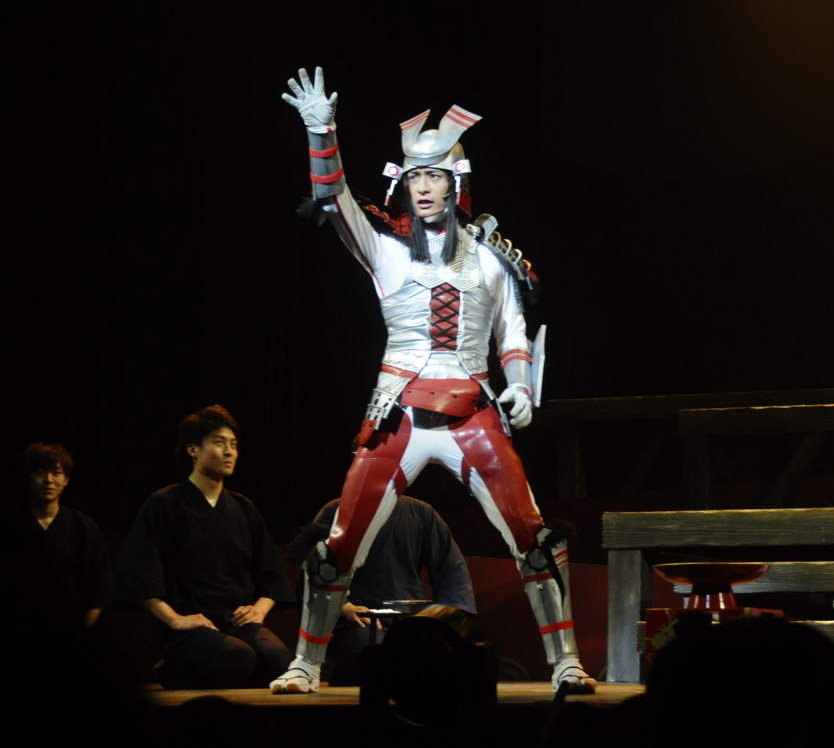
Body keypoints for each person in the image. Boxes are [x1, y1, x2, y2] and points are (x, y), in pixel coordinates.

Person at [272, 67, 594, 694]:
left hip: (474, 412)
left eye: (435, 176)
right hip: (400, 413)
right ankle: (305, 663)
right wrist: (321, 134)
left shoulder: (494, 261)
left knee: (534, 538)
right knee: (339, 543)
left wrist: (522, 386)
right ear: (403, 181)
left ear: (456, 183)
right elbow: (335, 201)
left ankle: (566, 661)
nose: (423, 187)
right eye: (415, 175)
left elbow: (512, 335)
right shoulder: (385, 249)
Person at [117, 405, 295, 689]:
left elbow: (272, 575)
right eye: (219, 442)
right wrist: (175, 620)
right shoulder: (164, 503)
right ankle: (174, 670)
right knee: (237, 657)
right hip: (187, 623)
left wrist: (258, 611)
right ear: (192, 449)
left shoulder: (243, 507)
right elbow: (139, 573)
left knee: (277, 661)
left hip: (235, 622)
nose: (229, 452)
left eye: (233, 445)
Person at [301, 495, 475, 686]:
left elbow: (451, 568)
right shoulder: (336, 510)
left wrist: (449, 616)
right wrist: (342, 607)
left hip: (409, 615)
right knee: (372, 652)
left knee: (437, 652)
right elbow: (312, 568)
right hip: (357, 618)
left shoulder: (420, 511)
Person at [11, 443, 113, 628]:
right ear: (27, 477)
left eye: (56, 473)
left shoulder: (83, 526)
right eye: (40, 472)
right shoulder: (9, 524)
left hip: (70, 630)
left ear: (66, 479)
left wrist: (81, 631)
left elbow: (100, 587)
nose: (48, 480)